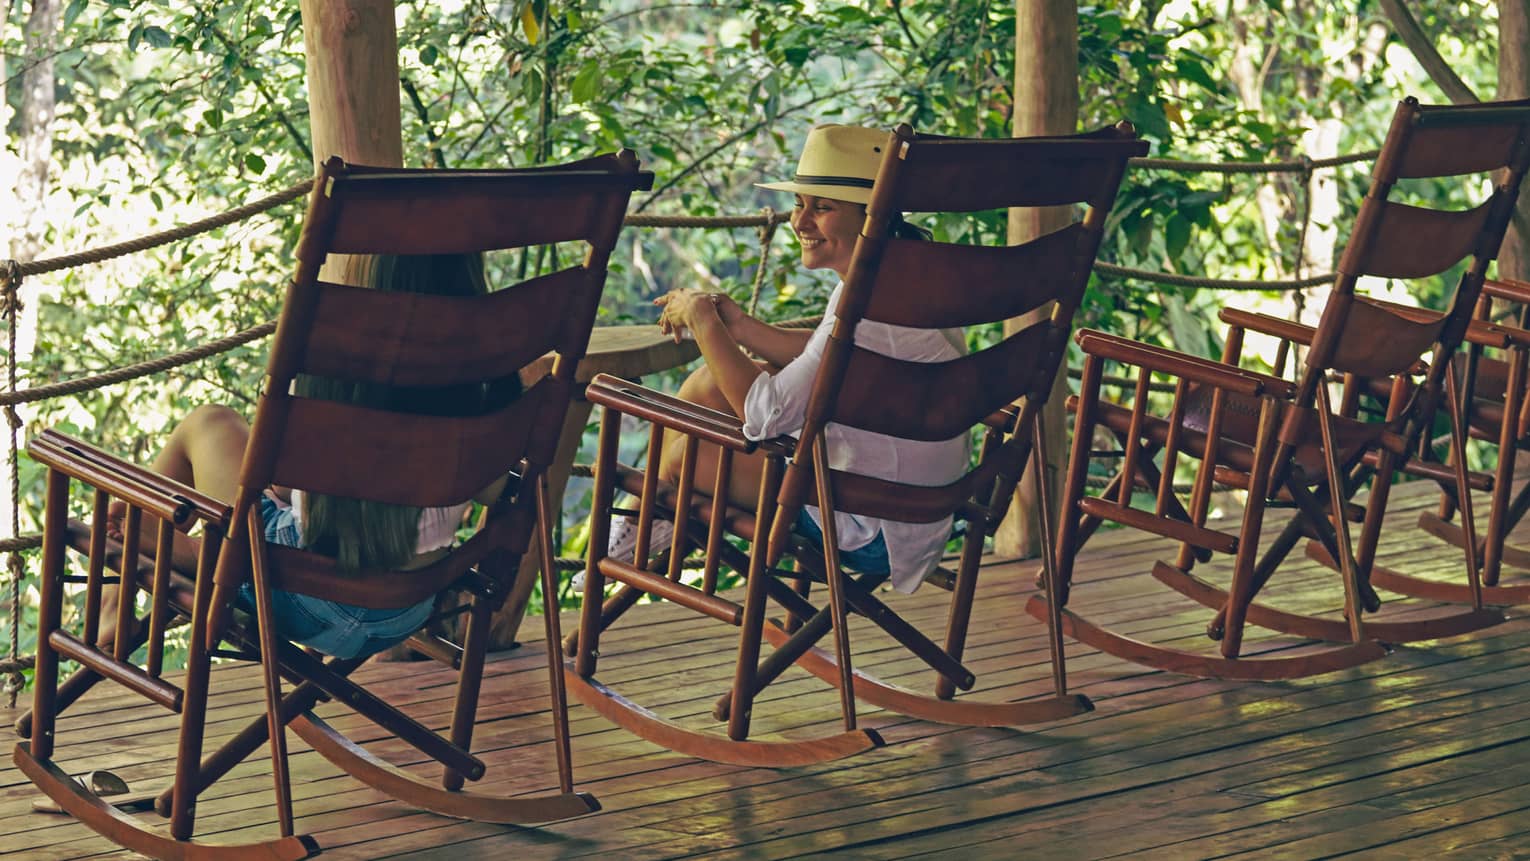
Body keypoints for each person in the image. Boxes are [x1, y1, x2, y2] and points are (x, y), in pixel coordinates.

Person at [101, 253, 517, 659]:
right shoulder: (481, 379)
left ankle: (128, 584)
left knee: (208, 423)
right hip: (406, 608)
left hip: (297, 593)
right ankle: (171, 544)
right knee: (258, 483)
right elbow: (494, 491)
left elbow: (285, 480)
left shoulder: (337, 360)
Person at [640, 124, 968, 592]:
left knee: (680, 459)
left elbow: (767, 415)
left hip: (876, 525)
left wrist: (703, 321)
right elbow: (833, 355)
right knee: (704, 386)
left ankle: (646, 527)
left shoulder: (869, 298)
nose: (800, 222)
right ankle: (655, 521)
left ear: (871, 214)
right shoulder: (904, 274)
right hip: (918, 502)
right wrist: (739, 326)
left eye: (823, 206)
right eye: (800, 203)